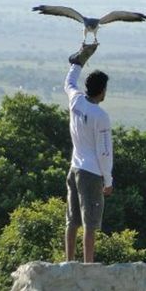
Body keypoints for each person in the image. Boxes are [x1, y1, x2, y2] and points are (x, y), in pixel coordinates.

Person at [64, 43, 113, 263]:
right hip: (91, 173)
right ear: (102, 91)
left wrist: (80, 60)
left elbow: (69, 82)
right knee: (90, 223)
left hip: (74, 168)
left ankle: (69, 261)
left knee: (72, 219)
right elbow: (104, 152)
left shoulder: (75, 100)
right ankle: (88, 265)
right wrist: (108, 180)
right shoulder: (100, 116)